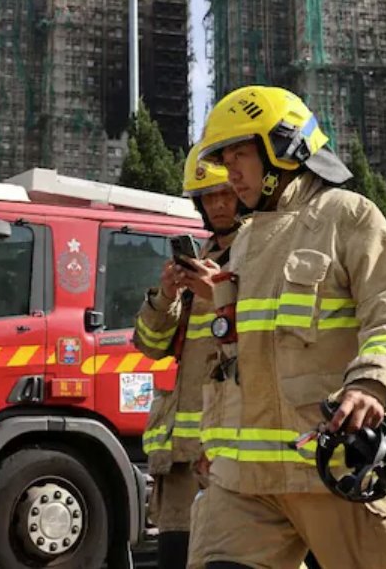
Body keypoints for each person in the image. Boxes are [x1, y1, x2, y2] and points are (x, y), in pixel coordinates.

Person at [185, 85, 386, 568]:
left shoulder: (347, 214)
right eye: (226, 157)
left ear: (284, 148)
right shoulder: (245, 241)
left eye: (240, 154)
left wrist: (370, 382)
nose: (229, 171)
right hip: (244, 483)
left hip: (333, 464)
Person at [134, 148, 245, 569]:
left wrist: (218, 293)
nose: (218, 204)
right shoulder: (199, 260)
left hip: (233, 448)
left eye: (225, 193)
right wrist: (166, 293)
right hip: (182, 454)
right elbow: (148, 343)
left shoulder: (257, 255)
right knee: (175, 557)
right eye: (207, 197)